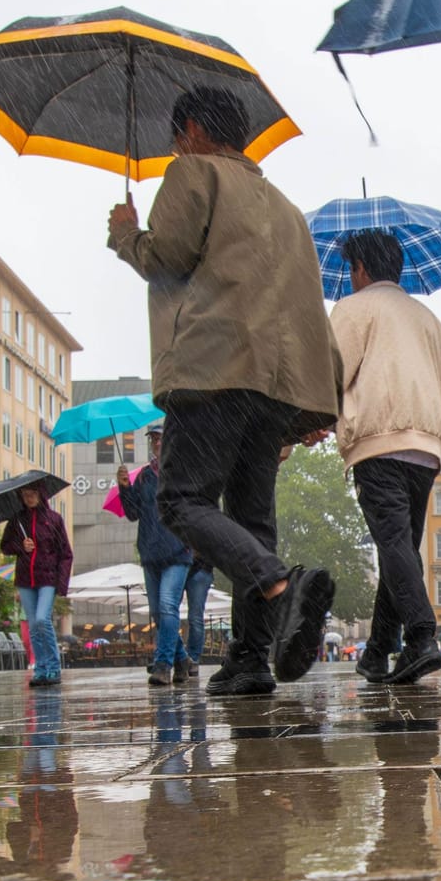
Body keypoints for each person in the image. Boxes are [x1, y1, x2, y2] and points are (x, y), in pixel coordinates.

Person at [108, 85, 341, 697]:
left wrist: (126, 234)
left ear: (190, 129)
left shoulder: (193, 172)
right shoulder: (286, 207)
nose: (175, 145)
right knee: (252, 515)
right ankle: (249, 658)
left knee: (181, 502)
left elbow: (167, 255)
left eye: (176, 135)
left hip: (214, 366)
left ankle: (278, 582)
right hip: (275, 382)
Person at [327, 228, 441, 687]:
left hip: (378, 441)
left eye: (351, 270)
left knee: (394, 544)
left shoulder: (353, 309)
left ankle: (422, 637)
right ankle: (379, 650)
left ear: (360, 268)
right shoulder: (427, 318)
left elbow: (332, 372)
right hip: (425, 446)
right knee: (398, 545)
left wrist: (312, 421)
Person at [117, 424, 195, 687]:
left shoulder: (182, 471)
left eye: (161, 438)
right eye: (153, 439)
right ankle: (182, 659)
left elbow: (195, 508)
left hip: (177, 550)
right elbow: (132, 513)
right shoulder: (144, 477)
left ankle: (163, 665)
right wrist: (125, 488)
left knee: (167, 606)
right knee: (158, 613)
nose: (157, 443)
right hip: (150, 552)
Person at [0, 484, 72, 687]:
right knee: (33, 625)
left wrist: (62, 583)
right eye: (25, 495)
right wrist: (20, 546)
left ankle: (53, 667)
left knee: (42, 620)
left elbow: (65, 553)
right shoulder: (16, 520)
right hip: (25, 579)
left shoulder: (54, 519)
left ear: (41, 494)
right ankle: (40, 668)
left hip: (48, 578)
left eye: (32, 494)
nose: (29, 498)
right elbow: (4, 546)